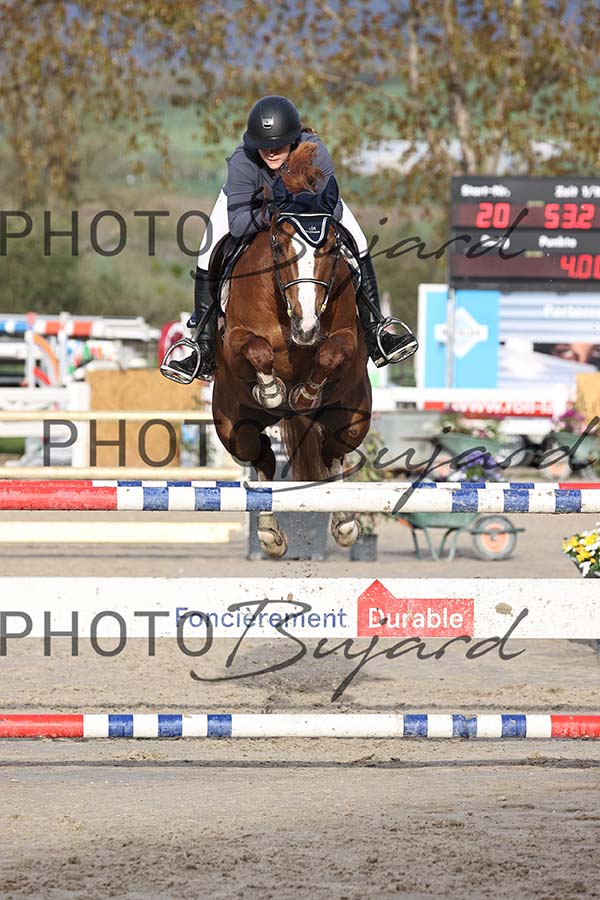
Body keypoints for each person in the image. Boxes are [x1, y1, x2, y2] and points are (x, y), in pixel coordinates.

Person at [168, 95, 418, 381]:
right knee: (206, 251)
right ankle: (202, 347)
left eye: (278, 145)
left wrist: (296, 207)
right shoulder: (243, 160)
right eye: (264, 146)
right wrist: (274, 213)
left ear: (292, 139)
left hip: (309, 208)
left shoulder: (315, 151)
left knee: (358, 241)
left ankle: (376, 333)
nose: (270, 152)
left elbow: (332, 207)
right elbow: (237, 224)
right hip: (251, 209)